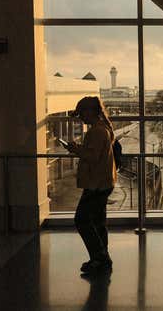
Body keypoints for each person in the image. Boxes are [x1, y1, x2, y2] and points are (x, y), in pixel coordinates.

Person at [64, 96, 117, 274]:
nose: (80, 118)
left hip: (96, 183)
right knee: (98, 221)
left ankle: (100, 258)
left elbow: (92, 157)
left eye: (81, 113)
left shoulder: (96, 132)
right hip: (104, 181)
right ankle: (102, 259)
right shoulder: (104, 129)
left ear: (90, 111)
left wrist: (75, 149)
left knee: (82, 220)